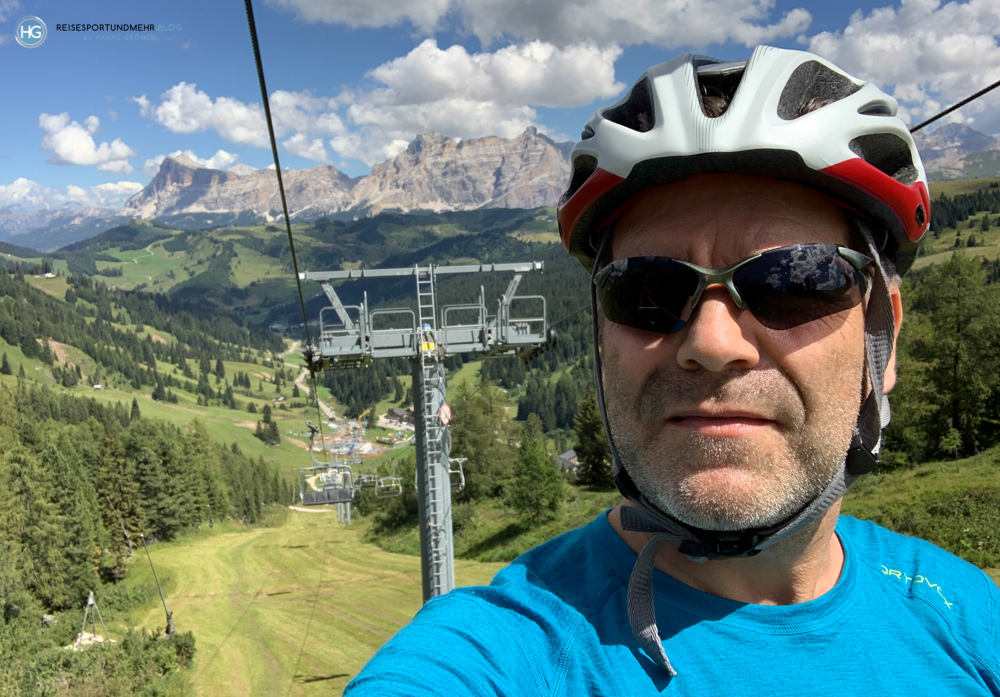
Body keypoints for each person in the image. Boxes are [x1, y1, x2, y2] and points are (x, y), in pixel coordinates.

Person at [345, 46, 1000, 695]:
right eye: (647, 291)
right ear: (602, 337)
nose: (712, 343)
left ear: (881, 339)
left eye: (792, 280)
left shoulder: (964, 612)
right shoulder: (500, 654)